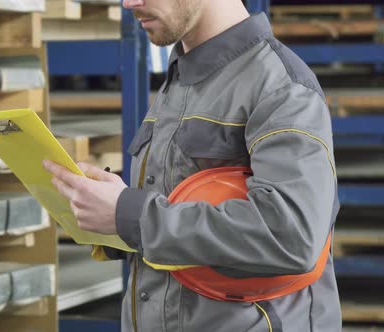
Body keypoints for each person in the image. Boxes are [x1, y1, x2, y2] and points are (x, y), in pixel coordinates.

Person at [43, 0, 341, 330]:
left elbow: (291, 234)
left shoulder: (280, 87)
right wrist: (108, 211)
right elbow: (175, 219)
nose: (129, 3)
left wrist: (131, 215)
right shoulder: (182, 81)